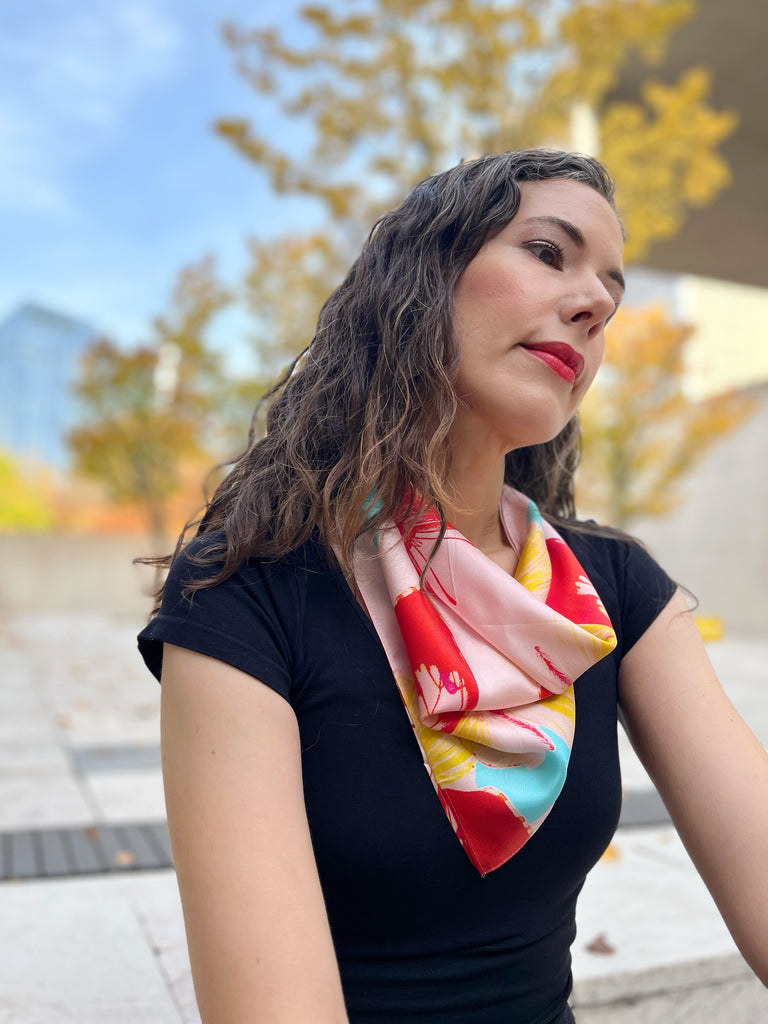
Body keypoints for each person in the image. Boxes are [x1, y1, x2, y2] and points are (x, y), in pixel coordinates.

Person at [138, 149, 768, 1024]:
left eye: (610, 291)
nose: (596, 305)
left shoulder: (614, 587)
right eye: (550, 252)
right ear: (424, 278)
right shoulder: (250, 596)